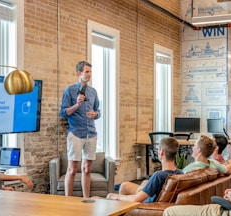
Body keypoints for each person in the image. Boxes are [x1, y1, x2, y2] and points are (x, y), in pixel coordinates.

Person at [60, 60, 100, 198]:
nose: (89, 74)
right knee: (72, 170)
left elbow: (98, 111)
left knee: (87, 169)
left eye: (90, 72)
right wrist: (77, 105)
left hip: (91, 134)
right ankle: (68, 201)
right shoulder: (69, 90)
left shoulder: (93, 91)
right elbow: (64, 113)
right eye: (87, 72)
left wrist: (95, 114)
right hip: (76, 133)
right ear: (79, 73)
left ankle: (86, 200)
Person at [106, 137, 183, 202]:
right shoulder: (181, 173)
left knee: (113, 195)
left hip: (147, 203)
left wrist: (115, 196)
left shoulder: (158, 176)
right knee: (124, 186)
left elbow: (136, 199)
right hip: (155, 197)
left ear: (162, 152)